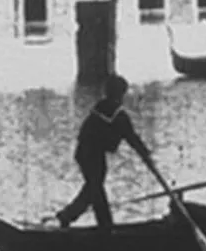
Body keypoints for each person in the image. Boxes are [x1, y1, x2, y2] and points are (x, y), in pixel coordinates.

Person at [53, 74, 154, 229]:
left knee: (92, 188)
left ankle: (68, 215)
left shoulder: (101, 106)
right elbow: (132, 138)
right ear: (120, 94)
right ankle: (105, 226)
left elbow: (128, 136)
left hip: (84, 152)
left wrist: (144, 153)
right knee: (95, 188)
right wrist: (146, 155)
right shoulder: (118, 114)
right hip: (91, 154)